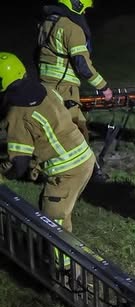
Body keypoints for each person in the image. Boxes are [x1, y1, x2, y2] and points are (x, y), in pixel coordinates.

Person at [0, 52, 96, 234]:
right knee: (50, 211)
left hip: (67, 171)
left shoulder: (18, 114)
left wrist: (3, 173)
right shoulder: (45, 89)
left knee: (54, 227)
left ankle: (63, 262)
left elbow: (19, 164)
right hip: (84, 157)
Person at [36, 0, 112, 144]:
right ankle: (79, 165)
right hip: (64, 88)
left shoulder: (46, 23)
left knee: (58, 128)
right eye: (84, 10)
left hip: (45, 85)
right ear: (76, 5)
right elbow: (82, 65)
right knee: (74, 131)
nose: (84, 13)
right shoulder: (72, 28)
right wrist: (104, 87)